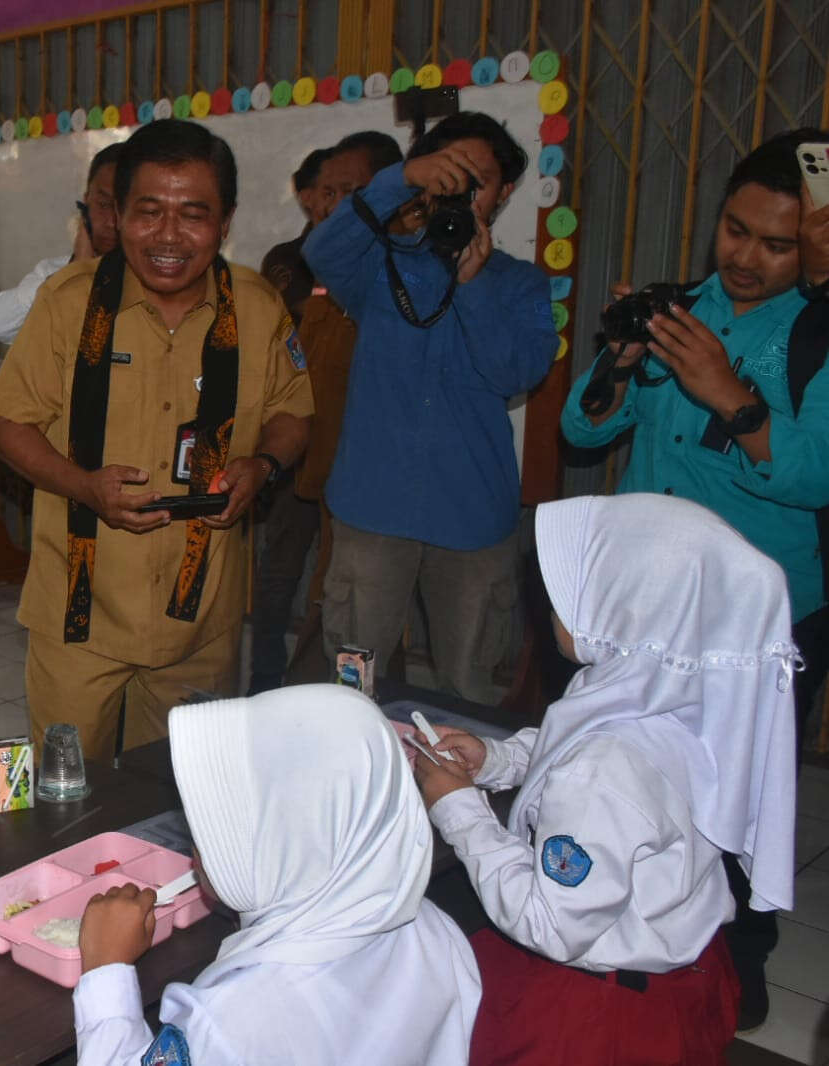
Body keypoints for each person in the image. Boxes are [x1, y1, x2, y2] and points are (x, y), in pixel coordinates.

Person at [559, 129, 829, 1029]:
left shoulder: (815, 337)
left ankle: (739, 960)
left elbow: (814, 475)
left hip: (760, 614)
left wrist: (729, 393)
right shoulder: (677, 306)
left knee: (742, 794)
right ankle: (613, 923)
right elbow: (584, 431)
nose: (745, 258)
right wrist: (619, 362)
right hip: (646, 600)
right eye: (733, 229)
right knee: (622, 771)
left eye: (776, 243)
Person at [415, 493, 797, 1064]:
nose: (550, 607)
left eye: (570, 593)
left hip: (595, 1013)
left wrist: (458, 809)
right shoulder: (692, 690)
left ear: (626, 607)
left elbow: (547, 922)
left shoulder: (600, 773)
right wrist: (499, 759)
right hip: (679, 968)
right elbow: (595, 749)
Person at [0, 119, 312, 758]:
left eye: (194, 214)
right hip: (78, 619)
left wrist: (264, 464)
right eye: (148, 212)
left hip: (204, 622)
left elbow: (293, 411)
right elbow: (3, 424)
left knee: (183, 796)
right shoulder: (67, 303)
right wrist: (82, 485)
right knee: (62, 801)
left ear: (227, 220)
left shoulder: (259, 306)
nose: (168, 236)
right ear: (117, 214)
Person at [74, 685, 481, 1064]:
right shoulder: (438, 933)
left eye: (218, 827)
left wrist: (106, 968)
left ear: (281, 848)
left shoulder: (230, 1021)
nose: (197, 842)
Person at [303, 111, 555, 703]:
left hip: (472, 520)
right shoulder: (379, 264)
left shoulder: (521, 284)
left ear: (505, 192)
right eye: (450, 174)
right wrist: (398, 178)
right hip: (372, 510)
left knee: (469, 691)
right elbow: (322, 250)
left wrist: (472, 285)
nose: (464, 190)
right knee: (351, 688)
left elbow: (516, 374)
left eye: (480, 180)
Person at [249, 131, 404, 695]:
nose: (330, 204)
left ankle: (342, 707)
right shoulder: (293, 264)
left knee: (347, 611)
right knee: (285, 581)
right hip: (299, 461)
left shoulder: (401, 279)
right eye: (324, 191)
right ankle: (268, 689)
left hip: (365, 483)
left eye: (348, 191)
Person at [0, 143, 123, 346]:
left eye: (122, 206)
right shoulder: (54, 272)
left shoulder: (155, 278)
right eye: (103, 205)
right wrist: (76, 269)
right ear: (86, 202)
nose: (112, 221)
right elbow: (0, 325)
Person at [256, 146, 328, 323]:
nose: (344, 200)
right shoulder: (285, 259)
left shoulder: (370, 250)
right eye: (330, 192)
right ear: (307, 197)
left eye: (352, 190)